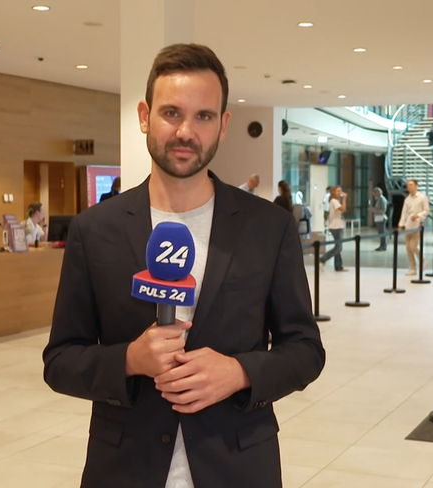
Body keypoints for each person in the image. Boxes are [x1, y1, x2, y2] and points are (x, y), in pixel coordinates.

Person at [42, 43, 325, 488]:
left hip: (238, 467)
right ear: (143, 116)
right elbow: (60, 361)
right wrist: (130, 360)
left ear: (223, 124)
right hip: (123, 470)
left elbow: (306, 351)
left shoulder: (267, 227)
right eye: (171, 112)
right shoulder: (95, 230)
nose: (186, 131)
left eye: (203, 116)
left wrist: (239, 373)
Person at [398, 179, 430, 276]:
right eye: (408, 185)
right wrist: (401, 224)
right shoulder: (407, 199)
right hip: (408, 225)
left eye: (411, 185)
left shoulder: (422, 197)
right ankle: (412, 267)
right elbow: (404, 213)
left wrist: (418, 216)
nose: (409, 187)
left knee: (413, 246)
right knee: (408, 247)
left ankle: (422, 260)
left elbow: (426, 210)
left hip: (417, 225)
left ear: (416, 186)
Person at [319, 186, 347, 271]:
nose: (340, 192)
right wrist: (344, 199)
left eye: (340, 191)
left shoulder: (335, 201)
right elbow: (342, 209)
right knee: (339, 247)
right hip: (336, 227)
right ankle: (322, 259)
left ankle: (338, 266)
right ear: (333, 192)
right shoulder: (334, 201)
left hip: (337, 225)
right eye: (338, 191)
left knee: (337, 247)